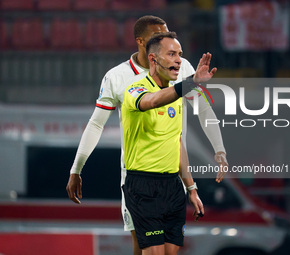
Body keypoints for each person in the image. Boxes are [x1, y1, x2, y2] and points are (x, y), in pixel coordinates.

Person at [66, 15, 228, 255]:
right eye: (157, 36)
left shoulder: (182, 67)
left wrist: (219, 150)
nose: (165, 40)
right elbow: (96, 124)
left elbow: (201, 111)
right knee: (144, 248)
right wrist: (76, 168)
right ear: (142, 43)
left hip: (173, 173)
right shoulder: (120, 78)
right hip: (138, 175)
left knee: (169, 251)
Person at [121, 31, 217, 255]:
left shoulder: (176, 98)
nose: (179, 60)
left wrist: (191, 188)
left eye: (180, 54)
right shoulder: (135, 90)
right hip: (144, 185)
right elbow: (152, 101)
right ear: (153, 59)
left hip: (173, 187)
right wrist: (190, 83)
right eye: (172, 54)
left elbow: (176, 142)